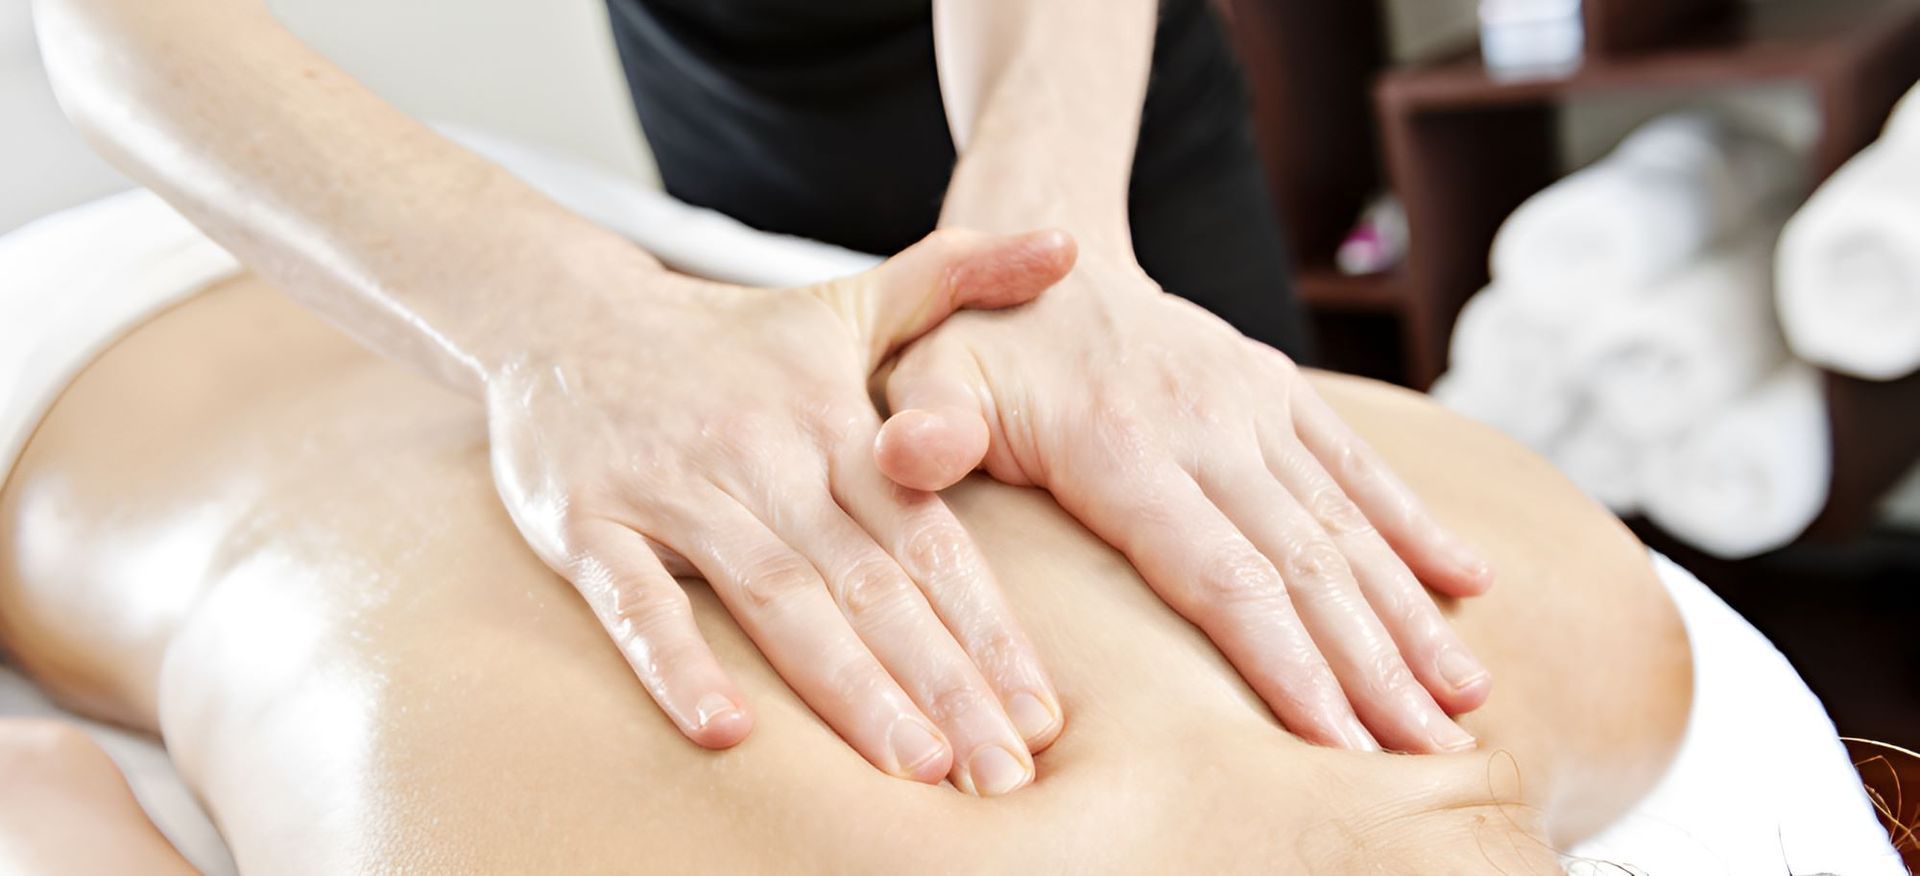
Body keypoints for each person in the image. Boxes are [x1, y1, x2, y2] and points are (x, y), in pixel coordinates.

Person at [32, 0, 1496, 798]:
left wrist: (1048, 244)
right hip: (737, 72)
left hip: (1076, 63)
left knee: (1193, 465)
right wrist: (562, 325)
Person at [0, 264, 1691, 872]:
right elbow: (49, 795)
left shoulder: (1577, 612)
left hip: (66, 378)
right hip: (567, 277)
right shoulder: (1590, 630)